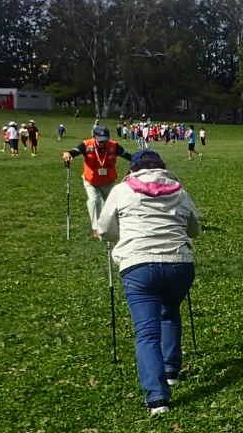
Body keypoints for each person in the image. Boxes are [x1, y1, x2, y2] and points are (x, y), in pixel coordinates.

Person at [97, 149, 200, 415]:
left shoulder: (121, 190)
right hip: (179, 264)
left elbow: (106, 230)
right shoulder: (179, 190)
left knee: (147, 333)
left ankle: (157, 398)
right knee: (170, 313)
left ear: (133, 169)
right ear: (162, 169)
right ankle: (170, 370)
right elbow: (194, 230)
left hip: (138, 265)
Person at [63, 125, 133, 237]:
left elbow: (129, 156)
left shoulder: (114, 146)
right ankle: (96, 228)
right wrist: (68, 154)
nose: (102, 143)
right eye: (100, 140)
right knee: (94, 201)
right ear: (94, 137)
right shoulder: (87, 144)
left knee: (111, 203)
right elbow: (75, 151)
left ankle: (113, 225)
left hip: (108, 180)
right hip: (91, 179)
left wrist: (141, 160)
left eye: (105, 141)